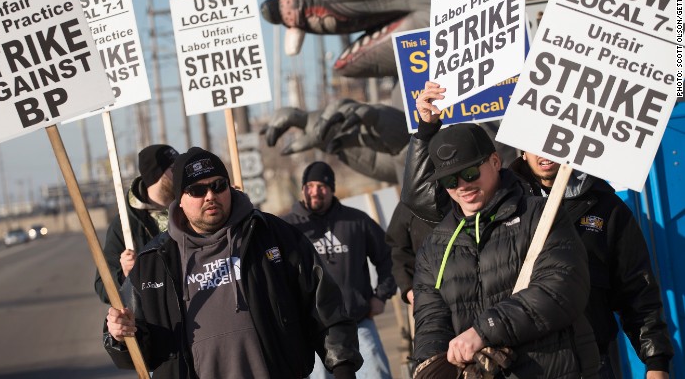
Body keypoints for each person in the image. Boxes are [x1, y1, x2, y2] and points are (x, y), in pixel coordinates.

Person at [104, 147, 363, 378]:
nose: (210, 196)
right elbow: (136, 350)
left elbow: (325, 306)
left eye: (218, 185)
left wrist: (343, 368)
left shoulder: (273, 235)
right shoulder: (154, 262)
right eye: (196, 190)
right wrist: (119, 335)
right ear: (179, 200)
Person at [404, 83, 599, 378]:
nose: (463, 186)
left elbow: (562, 288)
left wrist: (485, 331)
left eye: (470, 173)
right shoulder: (435, 245)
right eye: (450, 181)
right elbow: (430, 317)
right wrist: (438, 365)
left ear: (495, 162)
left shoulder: (539, 215)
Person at [509, 153, 673, 378]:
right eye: (536, 145)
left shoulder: (608, 208)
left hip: (590, 362)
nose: (544, 152)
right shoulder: (505, 204)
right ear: (523, 152)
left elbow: (637, 289)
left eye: (554, 143)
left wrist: (656, 361)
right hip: (521, 365)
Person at [282, 161, 397, 379]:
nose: (316, 191)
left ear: (332, 189)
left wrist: (381, 295)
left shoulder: (355, 221)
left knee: (378, 375)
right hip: (310, 333)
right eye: (310, 185)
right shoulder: (286, 228)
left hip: (357, 324)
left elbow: (389, 256)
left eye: (322, 186)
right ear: (303, 188)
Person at [94, 144, 179, 304]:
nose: (181, 173)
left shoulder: (190, 206)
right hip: (155, 318)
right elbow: (103, 287)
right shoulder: (125, 225)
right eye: (174, 168)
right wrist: (124, 275)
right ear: (156, 176)